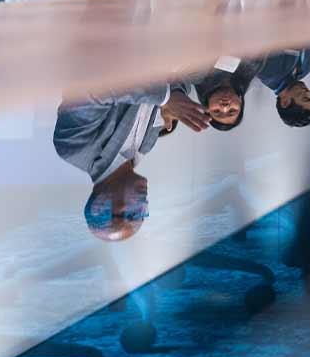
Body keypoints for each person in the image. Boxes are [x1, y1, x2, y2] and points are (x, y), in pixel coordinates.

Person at [53, 83, 209, 241]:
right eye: (142, 214)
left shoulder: (74, 147)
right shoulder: (146, 145)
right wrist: (177, 92)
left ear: (99, 206)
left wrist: (166, 98)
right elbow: (173, 85)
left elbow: (95, 87)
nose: (142, 206)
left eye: (132, 213)